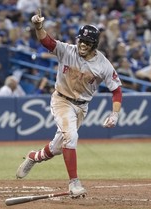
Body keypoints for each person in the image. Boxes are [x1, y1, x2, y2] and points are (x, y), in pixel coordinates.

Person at [16, 11, 122, 198]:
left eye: (87, 42)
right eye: (81, 40)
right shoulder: (67, 50)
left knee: (58, 148)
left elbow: (116, 90)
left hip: (81, 107)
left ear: (94, 45)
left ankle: (34, 156)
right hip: (62, 100)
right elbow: (47, 42)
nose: (82, 44)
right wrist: (39, 26)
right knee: (71, 137)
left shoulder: (103, 64)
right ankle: (74, 183)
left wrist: (115, 114)